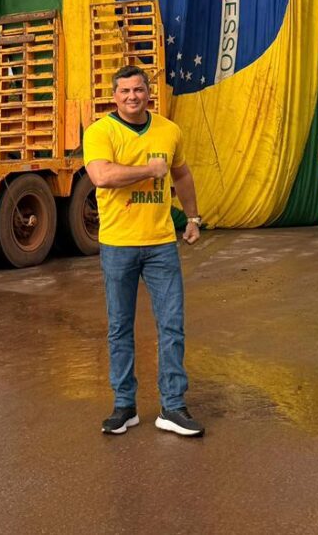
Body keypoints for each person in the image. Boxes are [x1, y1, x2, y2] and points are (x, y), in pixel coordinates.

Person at [84, 65, 204, 438]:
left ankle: (173, 406)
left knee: (172, 326)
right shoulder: (100, 131)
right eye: (124, 91)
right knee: (120, 327)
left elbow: (181, 173)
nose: (132, 97)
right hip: (118, 245)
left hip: (161, 245)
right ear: (114, 96)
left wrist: (194, 217)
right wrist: (149, 170)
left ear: (148, 93)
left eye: (138, 90)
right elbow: (101, 176)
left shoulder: (169, 130)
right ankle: (125, 406)